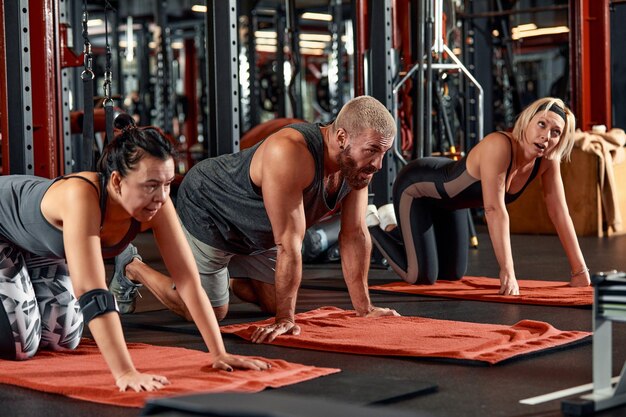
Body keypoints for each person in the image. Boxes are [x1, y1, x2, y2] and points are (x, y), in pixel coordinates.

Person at [0, 115, 269, 392]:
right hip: (2, 229)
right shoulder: (81, 197)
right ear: (117, 181)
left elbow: (188, 280)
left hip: (36, 246)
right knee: (22, 344)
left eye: (167, 184)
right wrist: (125, 372)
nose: (162, 196)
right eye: (151, 185)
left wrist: (219, 352)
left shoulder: (157, 204)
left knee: (63, 337)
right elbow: (92, 290)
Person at [109, 95, 401, 344]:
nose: (378, 164)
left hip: (257, 231)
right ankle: (133, 267)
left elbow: (354, 234)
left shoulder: (356, 168)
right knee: (212, 310)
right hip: (211, 208)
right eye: (373, 150)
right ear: (341, 138)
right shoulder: (291, 152)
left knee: (276, 300)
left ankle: (233, 274)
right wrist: (285, 320)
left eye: (384, 152)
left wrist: (365, 308)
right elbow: (289, 243)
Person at [368, 97, 591, 295]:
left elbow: (559, 212)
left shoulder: (547, 161)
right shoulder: (500, 145)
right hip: (417, 189)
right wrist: (508, 272)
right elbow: (494, 210)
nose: (546, 136)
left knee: (452, 274)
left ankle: (393, 223)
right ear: (527, 120)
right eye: (541, 124)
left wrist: (579, 271)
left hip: (450, 205)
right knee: (421, 276)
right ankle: (372, 223)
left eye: (556, 132)